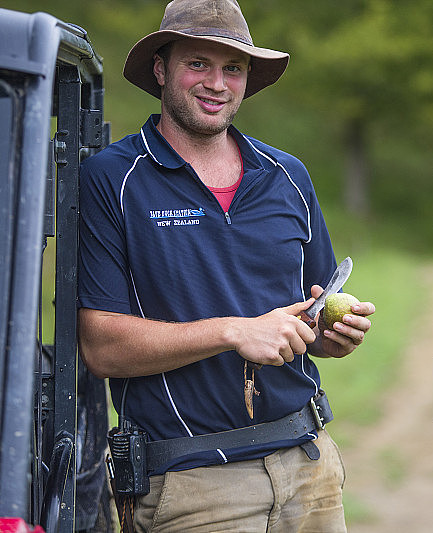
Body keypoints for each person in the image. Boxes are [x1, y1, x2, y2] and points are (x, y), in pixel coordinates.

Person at [77, 1, 375, 531]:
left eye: (232, 68)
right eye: (198, 64)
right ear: (161, 68)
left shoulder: (288, 176)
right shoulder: (111, 180)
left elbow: (311, 318)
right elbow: (101, 346)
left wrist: (334, 334)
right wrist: (234, 331)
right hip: (192, 487)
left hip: (310, 471)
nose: (217, 83)